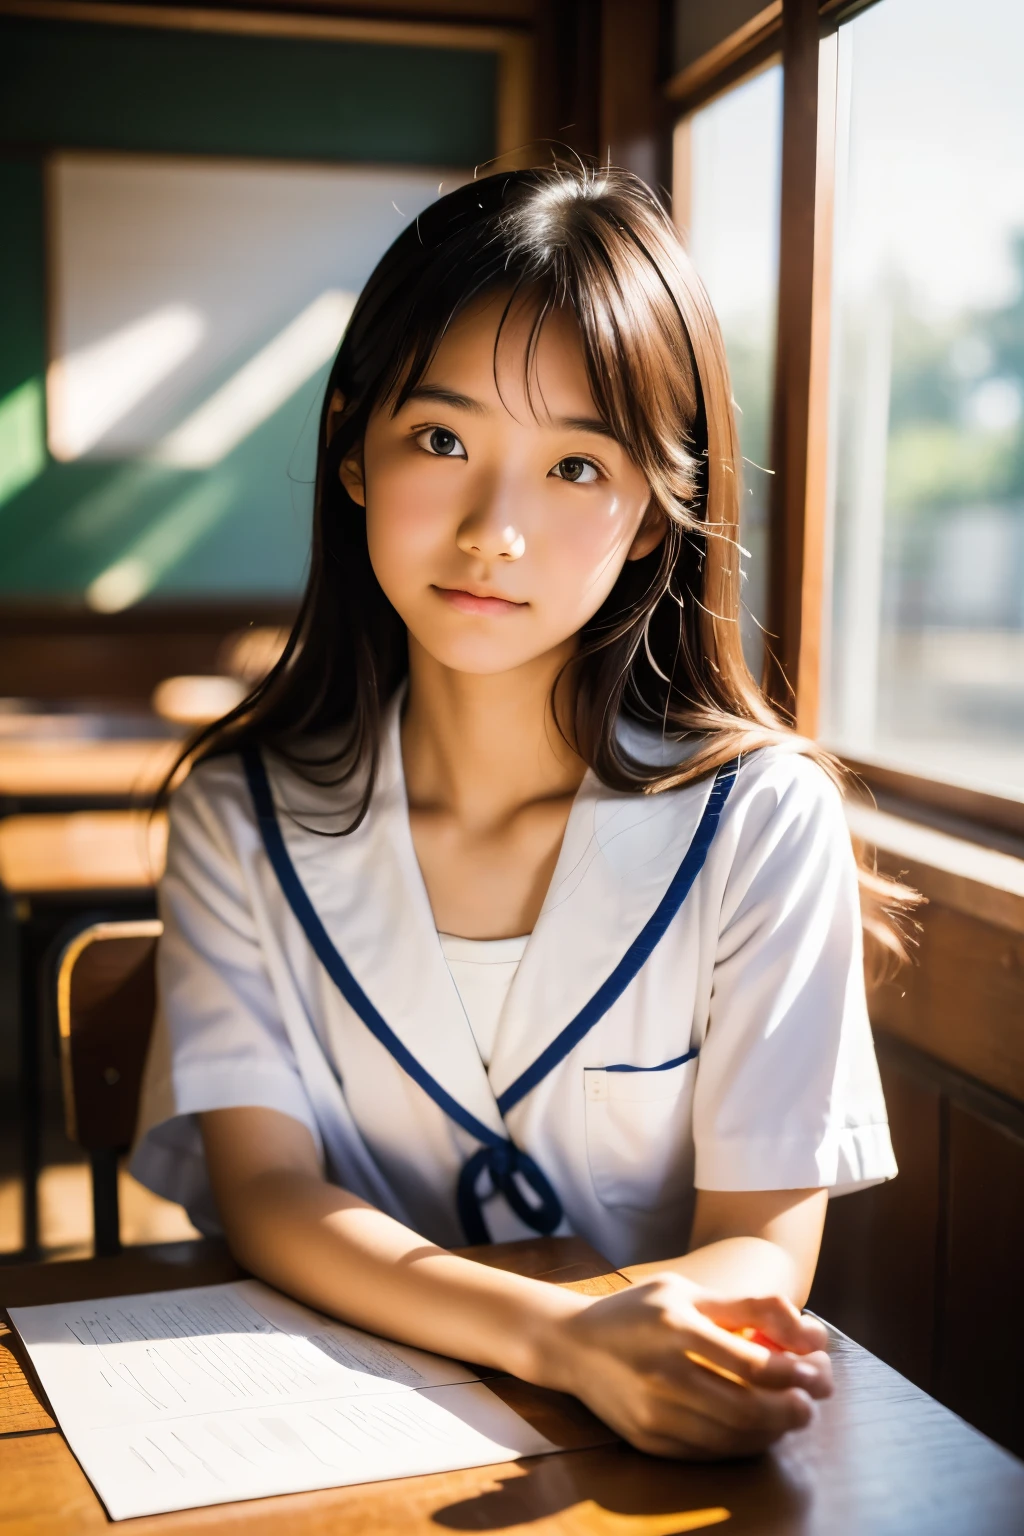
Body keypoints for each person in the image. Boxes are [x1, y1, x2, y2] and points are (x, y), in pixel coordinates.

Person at [131, 165, 910, 1461]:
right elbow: (266, 1196)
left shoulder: (764, 818)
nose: (496, 528)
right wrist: (555, 1340)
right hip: (304, 1442)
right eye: (442, 440)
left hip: (639, 1459)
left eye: (575, 463)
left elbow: (764, 1243)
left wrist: (636, 1353)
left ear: (659, 516)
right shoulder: (238, 810)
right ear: (353, 453)